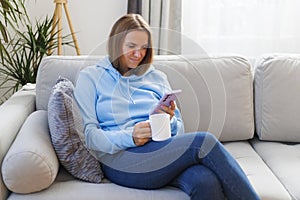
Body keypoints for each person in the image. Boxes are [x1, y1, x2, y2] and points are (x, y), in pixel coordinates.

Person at [74, 13, 260, 200]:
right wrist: (130, 136)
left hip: (161, 152)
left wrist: (167, 122)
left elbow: (180, 130)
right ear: (116, 44)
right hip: (121, 159)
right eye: (131, 46)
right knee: (204, 141)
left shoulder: (157, 77)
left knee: (205, 181)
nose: (138, 54)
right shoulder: (90, 77)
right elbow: (89, 136)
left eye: (144, 48)